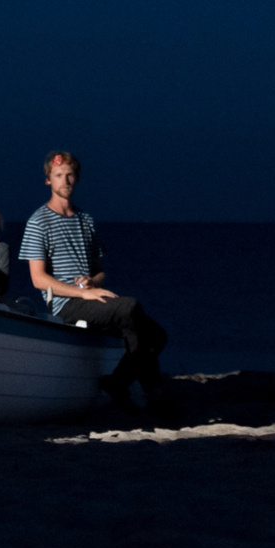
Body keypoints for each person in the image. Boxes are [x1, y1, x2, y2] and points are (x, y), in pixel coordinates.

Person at [17, 150, 168, 409]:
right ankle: (152, 397)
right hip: (64, 304)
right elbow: (38, 280)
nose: (65, 181)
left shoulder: (86, 220)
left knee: (156, 335)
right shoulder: (38, 222)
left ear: (77, 178)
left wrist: (92, 281)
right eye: (58, 176)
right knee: (130, 308)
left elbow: (100, 270)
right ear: (48, 180)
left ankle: (120, 382)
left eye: (70, 175)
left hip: (91, 296)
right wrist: (83, 293)